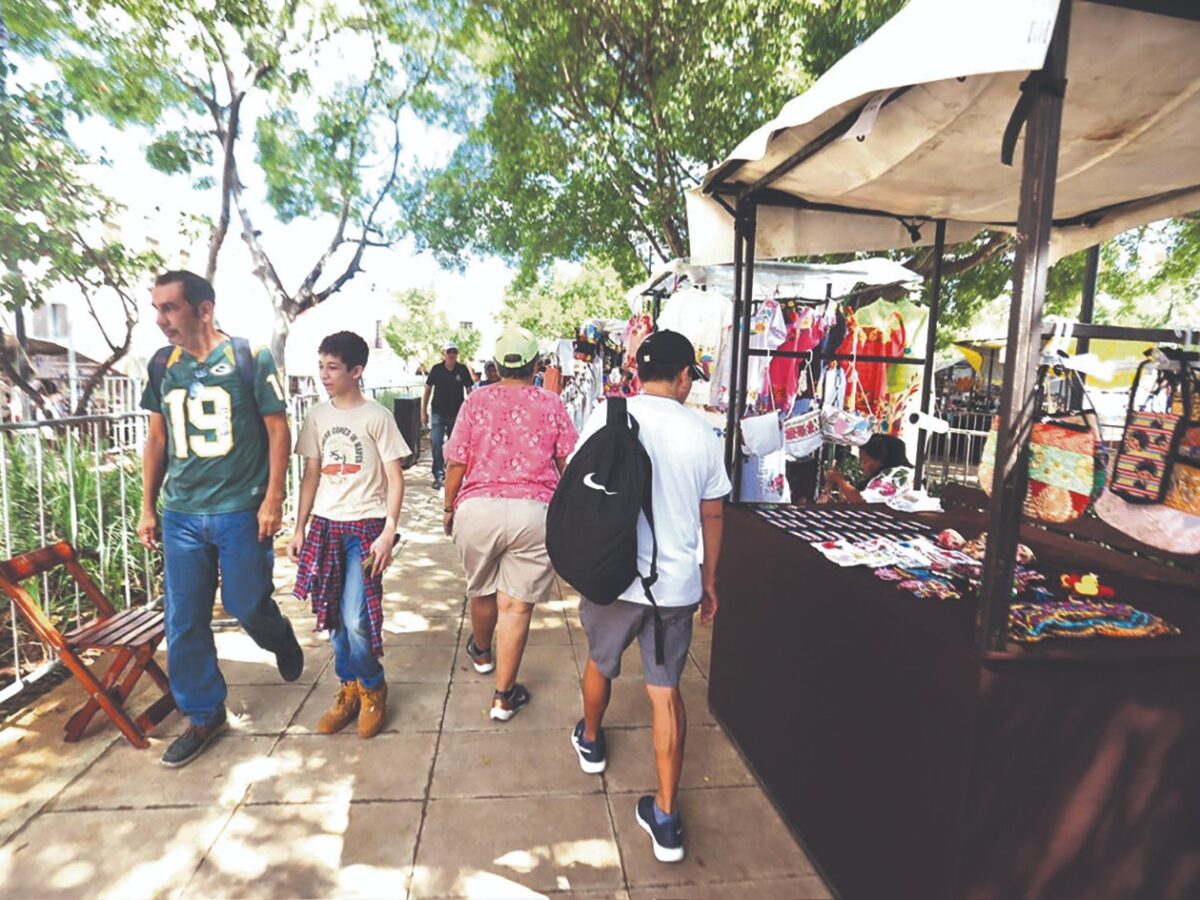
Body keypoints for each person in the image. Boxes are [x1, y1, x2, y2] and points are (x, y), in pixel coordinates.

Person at [570, 330, 729, 864]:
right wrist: (709, 581)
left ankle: (592, 741)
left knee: (600, 661)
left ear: (637, 371)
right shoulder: (703, 432)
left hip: (613, 576)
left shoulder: (607, 415)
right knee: (665, 694)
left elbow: (578, 484)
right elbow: (713, 514)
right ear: (684, 376)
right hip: (675, 585)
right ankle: (665, 816)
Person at [136, 270, 303, 768]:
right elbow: (157, 439)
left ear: (204, 309)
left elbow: (278, 429)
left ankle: (279, 636)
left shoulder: (249, 358)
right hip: (182, 515)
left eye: (170, 307)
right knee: (184, 618)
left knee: (246, 603)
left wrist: (273, 498)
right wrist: (147, 506)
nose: (161, 319)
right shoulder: (162, 365)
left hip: (239, 510)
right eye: (157, 308)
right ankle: (204, 713)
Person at [442, 326, 577, 721]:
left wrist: (449, 507)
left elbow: (456, 462)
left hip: (478, 510)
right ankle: (504, 697)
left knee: (481, 588)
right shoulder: (551, 403)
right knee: (516, 606)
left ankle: (482, 653)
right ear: (536, 365)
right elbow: (567, 463)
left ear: (498, 366)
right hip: (535, 513)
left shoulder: (475, 401)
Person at [288, 331, 408, 738]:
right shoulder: (317, 416)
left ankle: (373, 686)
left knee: (357, 616)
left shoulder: (378, 416)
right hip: (325, 525)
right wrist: (299, 527)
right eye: (321, 366)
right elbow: (310, 474)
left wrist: (389, 531)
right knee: (333, 616)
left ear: (356, 371)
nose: (324, 375)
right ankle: (349, 687)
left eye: (333, 367)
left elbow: (395, 477)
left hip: (366, 527)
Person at [422, 342, 475, 490]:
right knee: (436, 442)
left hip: (457, 414)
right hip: (438, 413)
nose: (452, 355)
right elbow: (428, 389)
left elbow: (469, 390)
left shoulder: (462, 369)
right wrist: (423, 410)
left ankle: (453, 474)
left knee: (456, 446)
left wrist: (473, 411)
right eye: (449, 351)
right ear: (444, 353)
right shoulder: (436, 369)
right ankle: (438, 475)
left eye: (454, 352)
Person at [820, 433, 912, 504]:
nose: (861, 467)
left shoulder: (898, 475)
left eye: (864, 461)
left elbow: (861, 501)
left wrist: (838, 479)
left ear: (880, 460)